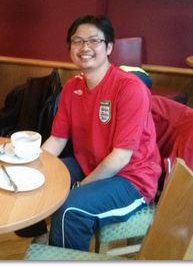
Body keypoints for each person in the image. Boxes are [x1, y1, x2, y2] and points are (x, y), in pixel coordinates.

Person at [38, 14, 161, 251]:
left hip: (132, 178)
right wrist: (32, 165)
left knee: (70, 209)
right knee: (44, 178)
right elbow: (58, 139)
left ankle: (63, 252)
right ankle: (52, 240)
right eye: (77, 41)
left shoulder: (129, 88)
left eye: (94, 41)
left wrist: (82, 186)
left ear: (109, 47)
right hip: (91, 163)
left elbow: (120, 157)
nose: (85, 47)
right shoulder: (72, 87)